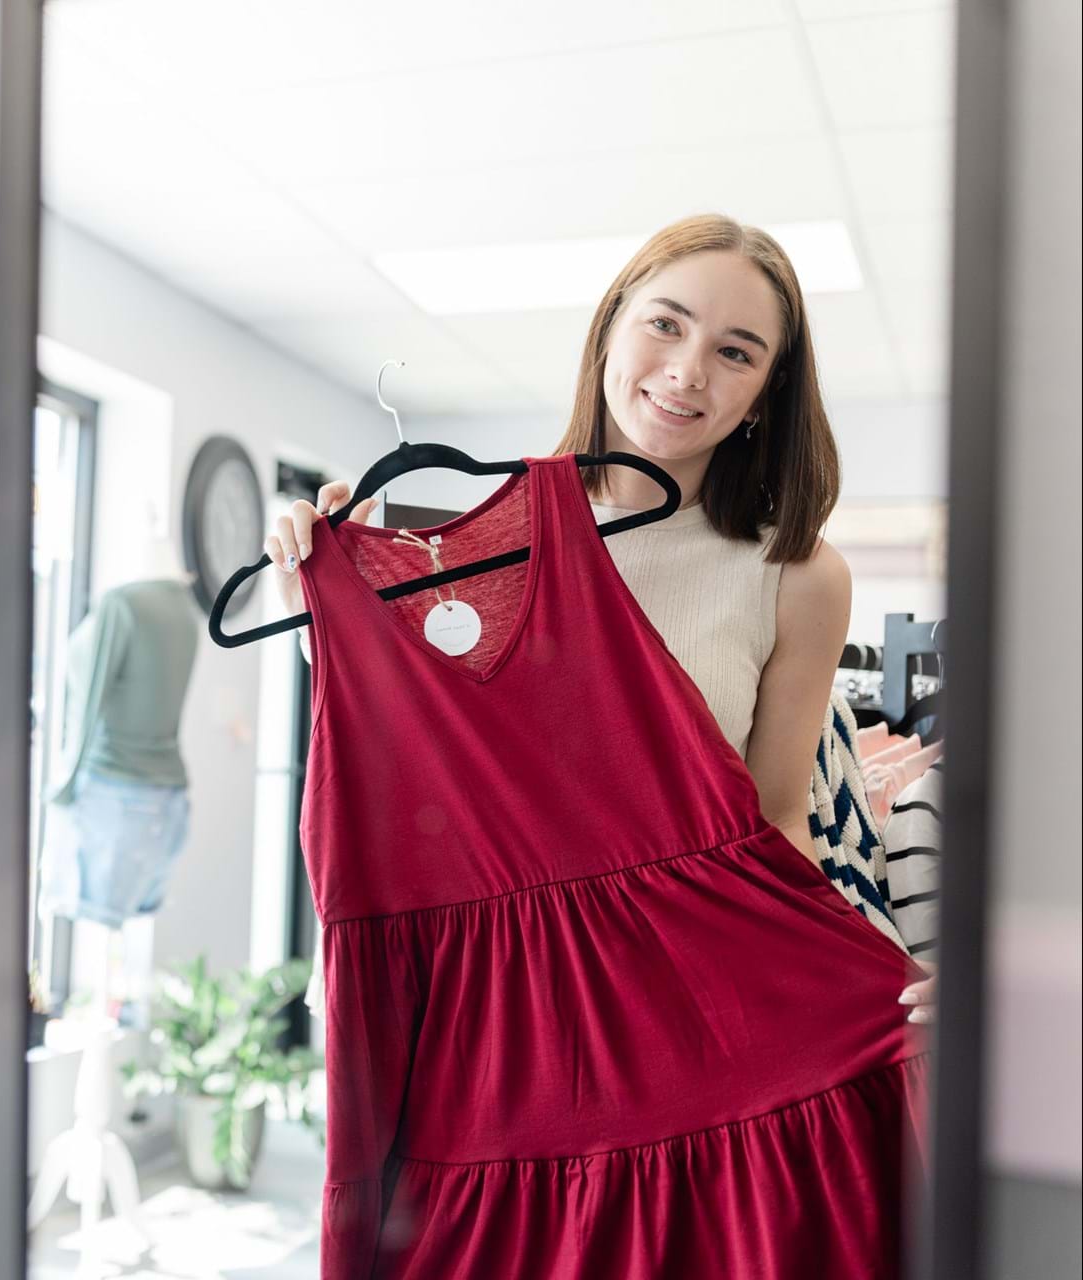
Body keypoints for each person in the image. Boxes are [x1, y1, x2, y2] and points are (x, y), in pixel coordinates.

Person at [268, 213, 936, 1020]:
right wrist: (327, 617)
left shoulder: (797, 575)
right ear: (610, 330)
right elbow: (419, 781)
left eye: (735, 352)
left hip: (689, 992)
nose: (687, 373)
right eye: (666, 324)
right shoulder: (477, 551)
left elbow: (774, 820)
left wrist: (871, 976)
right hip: (498, 1005)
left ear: (767, 394)